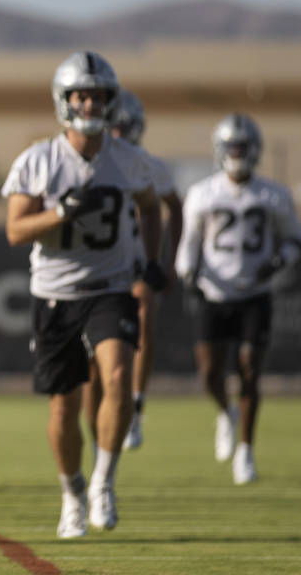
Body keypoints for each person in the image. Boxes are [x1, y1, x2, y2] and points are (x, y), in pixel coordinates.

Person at [2, 51, 167, 539]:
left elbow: (152, 208)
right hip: (54, 294)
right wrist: (61, 214)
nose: (91, 103)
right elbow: (15, 230)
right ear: (65, 100)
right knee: (63, 407)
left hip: (111, 288)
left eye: (98, 95)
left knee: (116, 377)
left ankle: (103, 482)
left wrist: (152, 260)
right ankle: (72, 491)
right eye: (82, 95)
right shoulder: (38, 160)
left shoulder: (130, 159)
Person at [175, 113, 301, 485]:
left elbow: (295, 239)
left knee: (250, 370)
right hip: (215, 293)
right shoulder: (202, 193)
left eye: (243, 147)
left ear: (255, 150)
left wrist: (278, 262)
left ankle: (245, 450)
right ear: (220, 150)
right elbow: (190, 243)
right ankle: (226, 413)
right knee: (209, 372)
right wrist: (188, 275)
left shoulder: (274, 194)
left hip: (255, 294)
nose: (237, 153)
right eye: (232, 147)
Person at [83, 90, 182, 450]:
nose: (121, 133)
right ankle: (100, 437)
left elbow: (174, 207)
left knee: (143, 318)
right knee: (91, 368)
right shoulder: (90, 160)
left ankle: (136, 404)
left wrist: (167, 262)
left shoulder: (148, 164)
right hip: (97, 266)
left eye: (127, 126)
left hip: (136, 261)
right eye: (116, 126)